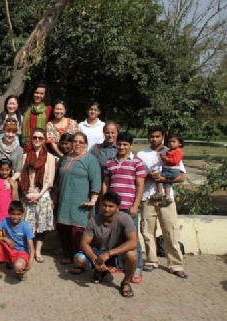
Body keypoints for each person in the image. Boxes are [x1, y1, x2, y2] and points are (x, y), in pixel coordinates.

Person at [137, 126, 188, 279]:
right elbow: (137, 176)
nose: (154, 139)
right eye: (152, 136)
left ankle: (176, 264)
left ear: (163, 137)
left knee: (170, 230)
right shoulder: (141, 154)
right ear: (148, 138)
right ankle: (151, 261)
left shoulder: (171, 151)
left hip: (166, 198)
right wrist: (149, 176)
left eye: (157, 136)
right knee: (147, 231)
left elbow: (181, 177)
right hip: (148, 197)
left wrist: (163, 179)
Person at [74, 192, 139, 298]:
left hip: (117, 253)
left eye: (110, 206)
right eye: (104, 205)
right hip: (99, 252)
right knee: (78, 259)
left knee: (133, 254)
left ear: (118, 207)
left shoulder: (125, 219)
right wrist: (95, 259)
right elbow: (84, 243)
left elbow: (133, 242)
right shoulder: (94, 220)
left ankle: (126, 282)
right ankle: (99, 271)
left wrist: (109, 253)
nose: (106, 209)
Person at [103, 132, 145, 283]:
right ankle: (117, 264)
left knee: (133, 240)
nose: (122, 147)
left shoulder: (137, 162)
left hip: (128, 207)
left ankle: (137, 269)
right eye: (119, 144)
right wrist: (105, 201)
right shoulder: (110, 162)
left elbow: (140, 185)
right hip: (113, 208)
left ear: (131, 145)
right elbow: (106, 183)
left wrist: (136, 205)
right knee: (113, 238)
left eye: (125, 144)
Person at [56, 132, 101, 273]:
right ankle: (69, 255)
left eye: (81, 142)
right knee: (64, 228)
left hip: (81, 203)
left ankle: (80, 261)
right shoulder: (66, 158)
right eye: (75, 141)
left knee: (79, 231)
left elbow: (96, 180)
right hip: (65, 201)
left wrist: (93, 200)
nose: (77, 144)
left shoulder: (90, 160)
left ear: (85, 144)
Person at [20, 128, 55, 263]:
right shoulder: (25, 156)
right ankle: (28, 249)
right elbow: (22, 177)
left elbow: (49, 178)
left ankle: (38, 251)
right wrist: (26, 193)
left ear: (44, 140)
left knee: (40, 226)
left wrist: (39, 194)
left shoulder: (50, 158)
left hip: (42, 194)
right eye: (35, 137)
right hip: (27, 194)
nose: (37, 140)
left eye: (40, 138)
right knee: (27, 225)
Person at [0, 201, 35, 282]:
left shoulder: (25, 226)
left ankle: (21, 272)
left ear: (22, 214)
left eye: (18, 214)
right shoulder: (5, 221)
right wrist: (5, 239)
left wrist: (29, 264)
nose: (15, 217)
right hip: (9, 249)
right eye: (13, 214)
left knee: (19, 266)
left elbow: (32, 248)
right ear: (9, 213)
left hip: (21, 252)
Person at [151, 134, 184, 206]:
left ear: (180, 143)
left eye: (173, 142)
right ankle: (167, 198)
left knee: (159, 178)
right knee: (167, 184)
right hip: (168, 169)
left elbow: (175, 161)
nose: (171, 144)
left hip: (172, 170)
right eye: (170, 142)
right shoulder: (170, 151)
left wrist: (166, 159)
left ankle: (159, 193)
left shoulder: (178, 151)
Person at [0, 159, 19, 229]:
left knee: (7, 236)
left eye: (7, 170)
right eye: (2, 170)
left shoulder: (14, 182)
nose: (4, 172)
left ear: (10, 169)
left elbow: (15, 200)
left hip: (8, 214)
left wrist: (13, 187)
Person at [21, 83, 52, 150]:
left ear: (44, 95)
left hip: (42, 144)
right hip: (27, 144)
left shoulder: (49, 110)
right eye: (36, 93)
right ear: (33, 93)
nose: (38, 95)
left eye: (41, 93)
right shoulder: (25, 108)